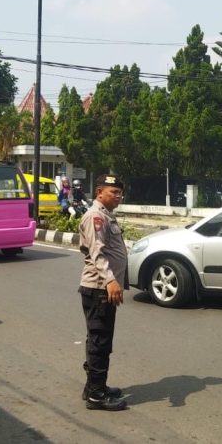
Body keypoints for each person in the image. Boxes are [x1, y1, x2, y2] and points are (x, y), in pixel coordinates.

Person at [77, 173, 128, 411]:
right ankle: (97, 395)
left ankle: (94, 386)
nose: (118, 196)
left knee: (99, 339)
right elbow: (97, 254)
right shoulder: (96, 216)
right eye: (113, 192)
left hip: (102, 288)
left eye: (119, 192)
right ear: (99, 192)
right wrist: (110, 281)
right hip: (98, 288)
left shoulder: (106, 216)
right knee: (100, 341)